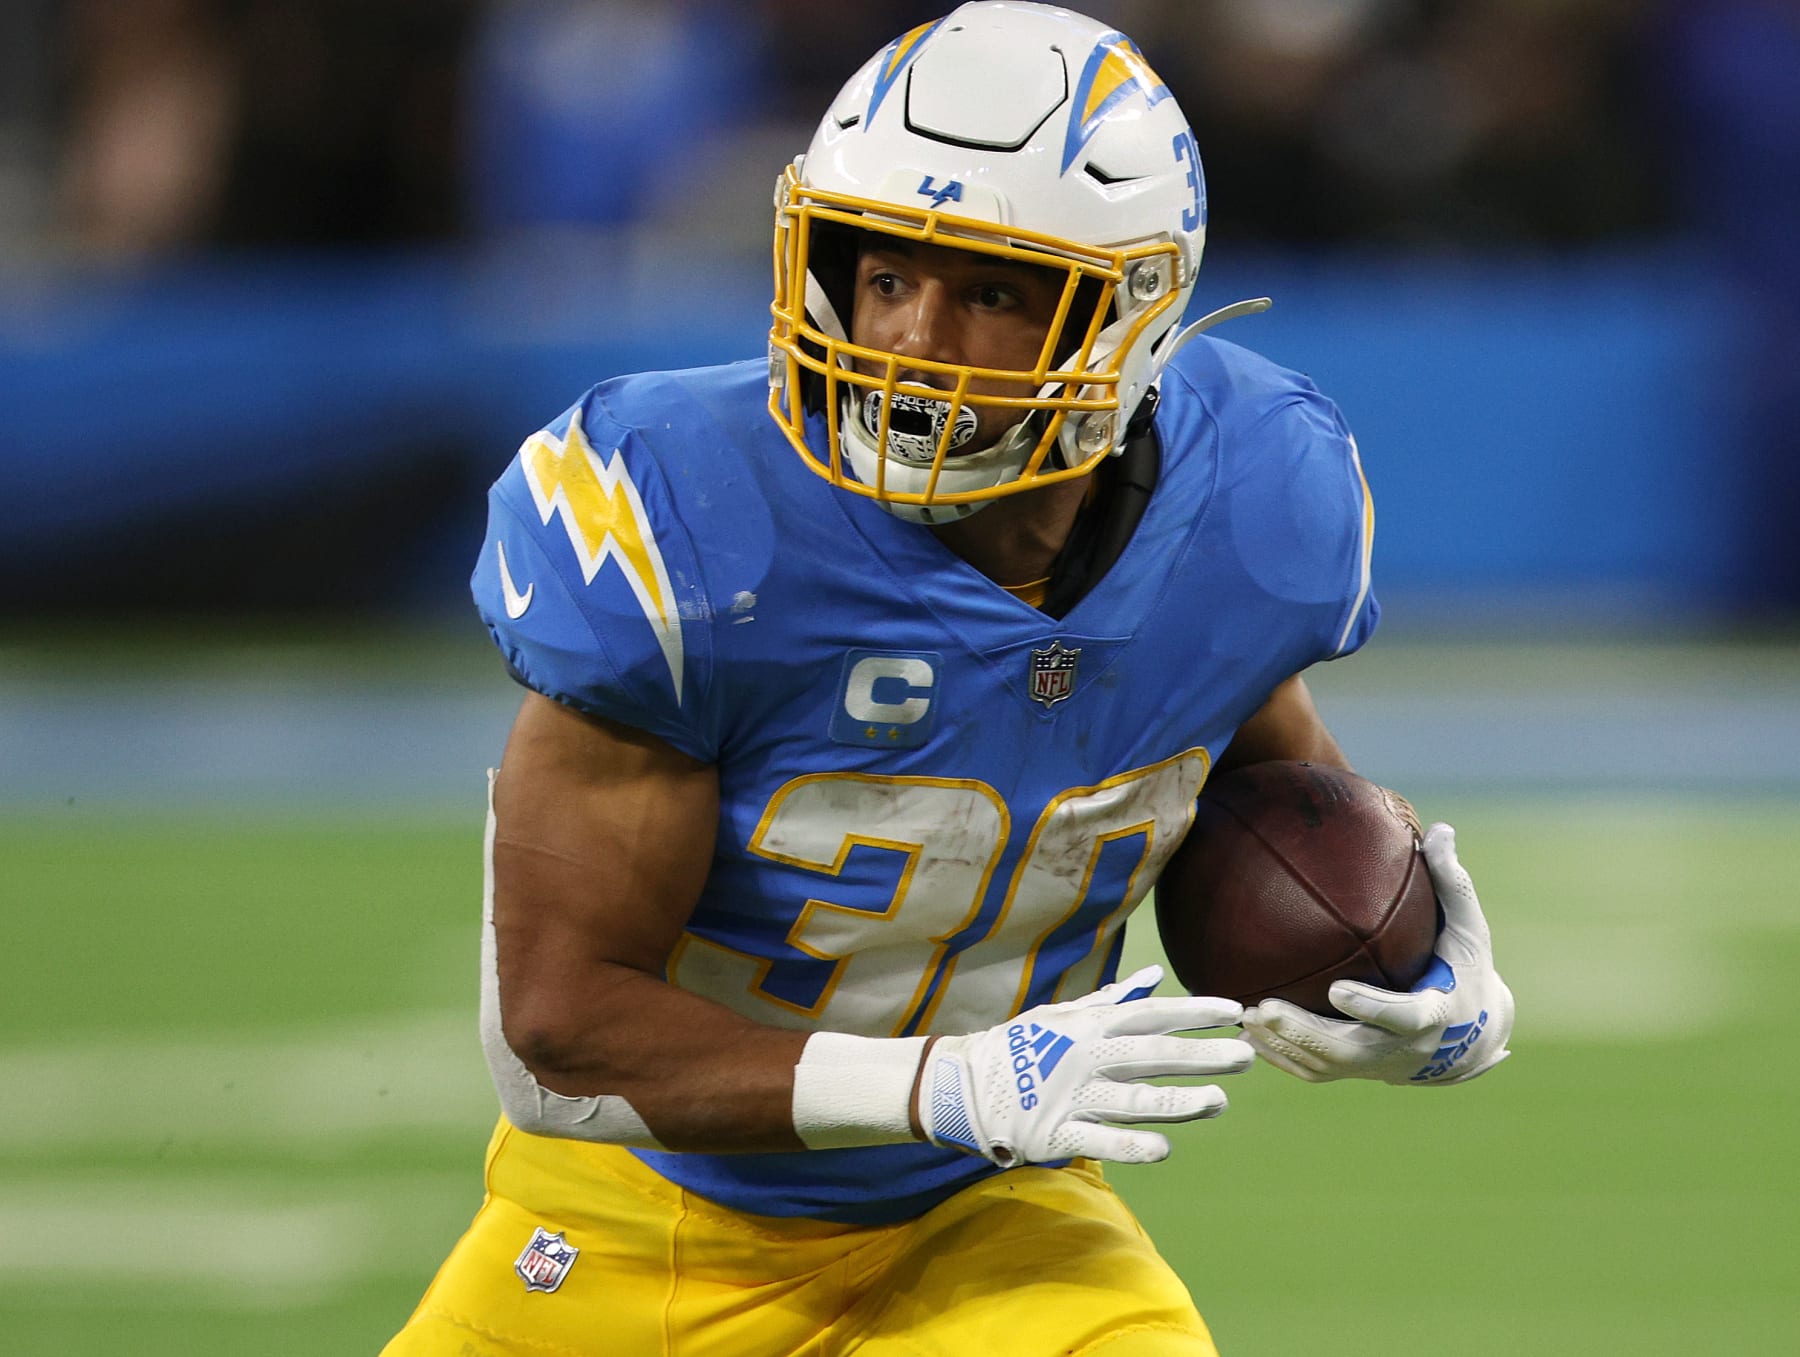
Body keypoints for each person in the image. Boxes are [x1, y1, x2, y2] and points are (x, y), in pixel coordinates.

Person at [383, 5, 1514, 1354]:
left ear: (1132, 318)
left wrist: (1397, 965)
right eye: (884, 275)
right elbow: (559, 1023)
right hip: (643, 1217)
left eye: (990, 291)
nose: (914, 338)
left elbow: (1266, 790)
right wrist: (947, 1080)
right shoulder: (688, 525)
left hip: (985, 1218)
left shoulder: (1251, 509)